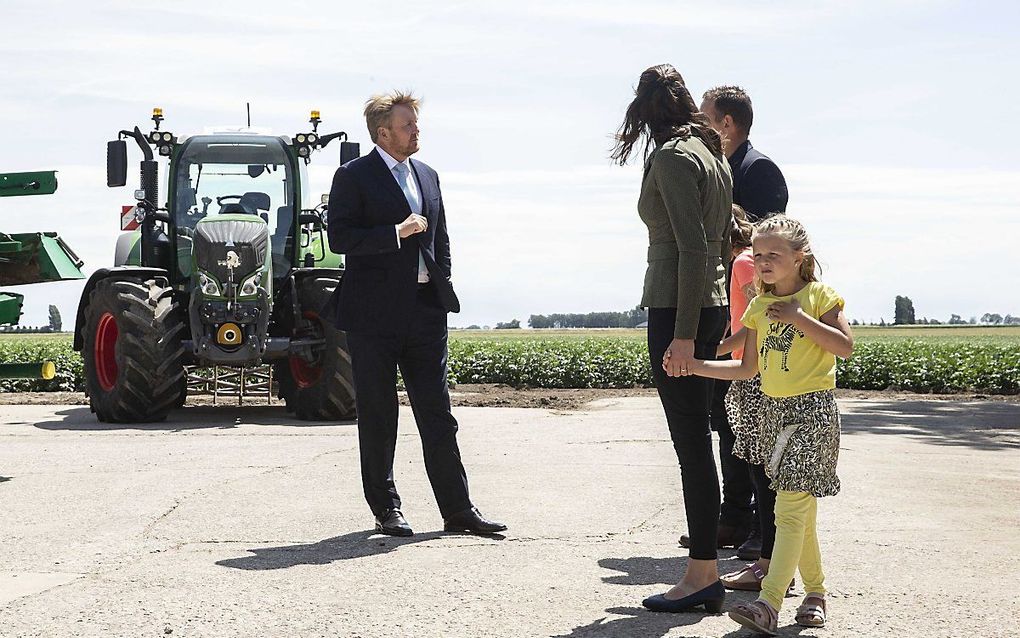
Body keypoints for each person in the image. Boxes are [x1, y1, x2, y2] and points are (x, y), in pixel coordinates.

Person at [326, 91, 505, 537]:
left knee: (438, 414)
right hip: (373, 317)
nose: (417, 131)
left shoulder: (428, 175)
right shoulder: (353, 176)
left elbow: (440, 238)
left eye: (416, 124)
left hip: (426, 313)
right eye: (409, 125)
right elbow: (340, 238)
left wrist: (442, 285)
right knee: (379, 414)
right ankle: (387, 509)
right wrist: (394, 232)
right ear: (383, 132)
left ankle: (458, 510)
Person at [686, 215, 853, 633]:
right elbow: (746, 370)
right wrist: (695, 366)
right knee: (800, 509)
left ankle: (769, 602)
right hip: (773, 413)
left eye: (773, 255)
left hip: (812, 411)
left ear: (800, 258)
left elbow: (844, 348)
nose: (762, 262)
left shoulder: (820, 296)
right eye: (758, 254)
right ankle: (815, 593)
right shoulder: (759, 307)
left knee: (789, 507)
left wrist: (798, 318)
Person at [612, 63, 732, 614]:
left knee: (692, 445)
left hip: (678, 308)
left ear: (643, 110)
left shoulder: (674, 156)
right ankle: (707, 568)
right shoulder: (710, 151)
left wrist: (682, 337)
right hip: (709, 305)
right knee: (701, 442)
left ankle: (702, 574)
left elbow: (692, 247)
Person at [697, 84, 790, 562]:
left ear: (726, 123)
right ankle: (733, 518)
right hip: (724, 307)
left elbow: (769, 246)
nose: (697, 122)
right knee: (728, 423)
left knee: (756, 432)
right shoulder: (715, 168)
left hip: (755, 318)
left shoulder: (759, 171)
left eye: (704, 115)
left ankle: (759, 528)